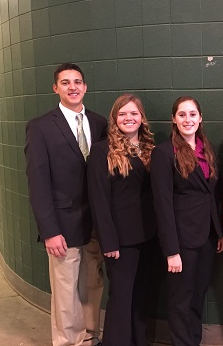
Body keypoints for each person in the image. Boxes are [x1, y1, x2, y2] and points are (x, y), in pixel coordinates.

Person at [25, 63, 107, 346]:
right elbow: (38, 183)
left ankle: (91, 336)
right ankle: (69, 342)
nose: (72, 87)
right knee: (65, 290)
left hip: (95, 223)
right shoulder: (40, 127)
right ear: (55, 88)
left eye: (77, 82)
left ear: (85, 87)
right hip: (62, 224)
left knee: (93, 284)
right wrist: (49, 230)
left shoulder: (99, 123)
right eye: (65, 82)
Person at [150, 96, 223, 346]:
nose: (188, 119)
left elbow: (211, 194)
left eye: (192, 114)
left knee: (196, 297)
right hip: (181, 241)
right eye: (182, 114)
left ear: (200, 117)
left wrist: (219, 232)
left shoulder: (207, 148)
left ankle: (194, 341)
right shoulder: (163, 153)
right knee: (181, 300)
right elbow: (162, 205)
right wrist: (171, 251)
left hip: (207, 238)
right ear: (174, 119)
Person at [87, 94, 156, 346]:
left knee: (140, 297)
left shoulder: (149, 149)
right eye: (123, 114)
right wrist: (109, 242)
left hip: (147, 236)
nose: (129, 118)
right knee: (121, 298)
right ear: (115, 118)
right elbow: (99, 200)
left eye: (134, 113)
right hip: (120, 241)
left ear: (141, 118)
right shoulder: (102, 150)